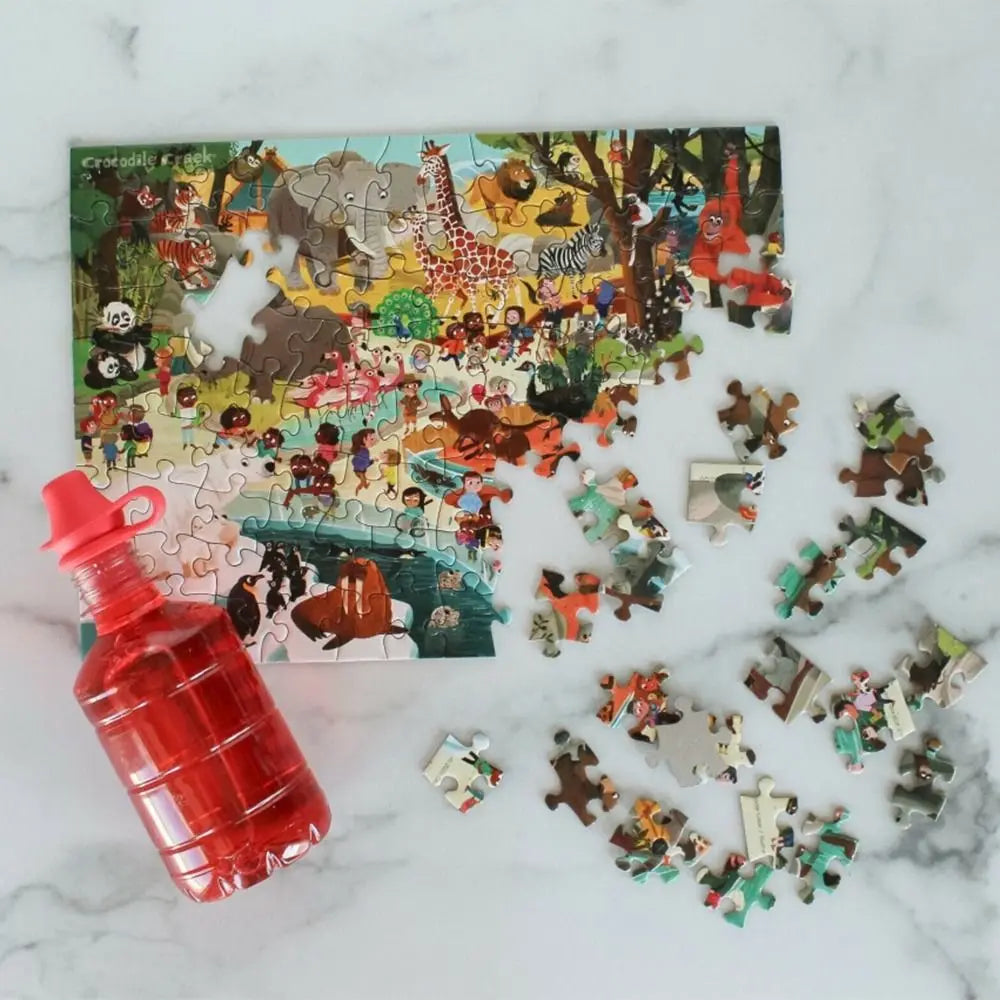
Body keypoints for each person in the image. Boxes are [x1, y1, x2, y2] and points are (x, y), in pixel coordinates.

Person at [351, 427, 376, 494]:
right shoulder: (365, 452)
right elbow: (365, 464)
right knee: (363, 481)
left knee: (364, 481)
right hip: (360, 472)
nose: (374, 440)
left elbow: (354, 461)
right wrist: (372, 461)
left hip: (358, 471)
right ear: (364, 439)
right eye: (371, 439)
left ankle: (365, 486)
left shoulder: (359, 449)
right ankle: (359, 488)